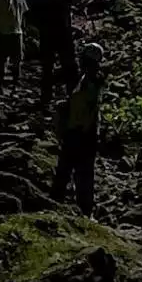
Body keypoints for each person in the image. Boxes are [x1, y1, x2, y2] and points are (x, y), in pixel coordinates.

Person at [51, 43, 104, 217]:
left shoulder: (89, 82)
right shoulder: (90, 80)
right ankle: (82, 209)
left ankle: (67, 206)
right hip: (84, 133)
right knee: (80, 173)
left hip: (80, 133)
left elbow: (84, 110)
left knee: (71, 171)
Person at [35, 0, 78, 113]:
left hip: (47, 36)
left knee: (47, 67)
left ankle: (46, 96)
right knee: (69, 65)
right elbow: (72, 5)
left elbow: (36, 18)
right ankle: (71, 93)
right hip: (63, 34)